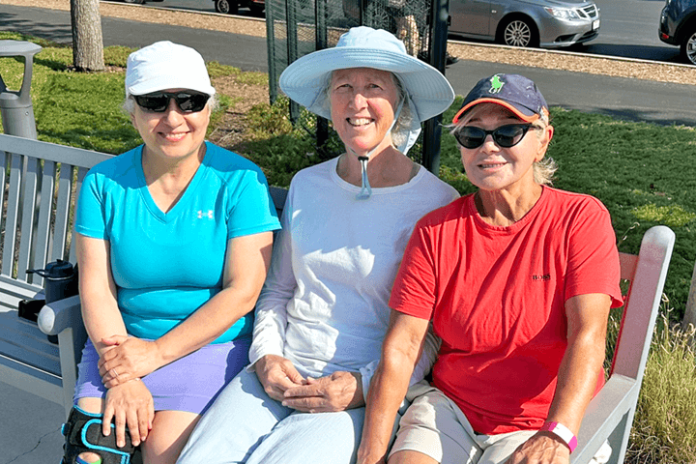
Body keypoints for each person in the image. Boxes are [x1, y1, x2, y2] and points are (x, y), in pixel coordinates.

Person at [177, 26, 459, 464]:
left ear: (400, 101)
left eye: (373, 87)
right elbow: (278, 290)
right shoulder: (308, 186)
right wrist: (266, 356)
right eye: (343, 86)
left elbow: (432, 335)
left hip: (364, 389)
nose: (357, 101)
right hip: (280, 371)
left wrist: (364, 386)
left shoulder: (436, 203)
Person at [357, 73, 623, 464]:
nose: (488, 147)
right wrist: (370, 455)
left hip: (540, 421)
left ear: (543, 138)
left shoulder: (580, 219)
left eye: (508, 132)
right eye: (472, 135)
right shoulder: (435, 231)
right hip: (449, 410)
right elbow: (402, 346)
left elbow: (588, 335)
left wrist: (556, 434)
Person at [65, 41, 280, 464]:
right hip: (119, 344)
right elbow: (96, 289)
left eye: (189, 102)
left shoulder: (239, 181)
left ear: (209, 108)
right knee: (93, 454)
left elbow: (242, 291)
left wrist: (155, 355)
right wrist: (123, 371)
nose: (173, 118)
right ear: (132, 111)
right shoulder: (103, 183)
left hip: (208, 347)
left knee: (164, 454)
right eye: (154, 103)